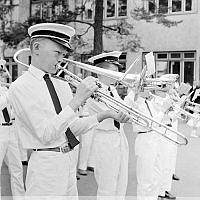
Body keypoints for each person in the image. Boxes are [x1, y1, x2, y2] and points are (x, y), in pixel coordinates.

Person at [7, 23, 130, 199]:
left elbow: (70, 129)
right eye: (57, 53)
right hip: (45, 166)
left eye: (64, 55)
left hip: (68, 161)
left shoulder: (61, 84)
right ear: (36, 47)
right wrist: (77, 100)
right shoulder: (20, 87)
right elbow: (46, 134)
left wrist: (104, 115)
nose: (61, 60)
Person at [85, 51, 129, 199]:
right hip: (105, 139)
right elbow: (117, 114)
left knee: (120, 182)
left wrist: (136, 95)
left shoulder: (112, 90)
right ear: (102, 71)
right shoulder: (94, 91)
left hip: (118, 137)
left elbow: (126, 109)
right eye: (114, 71)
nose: (118, 74)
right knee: (107, 186)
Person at [0, 59, 25, 199]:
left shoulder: (5, 88)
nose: (2, 75)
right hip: (0, 131)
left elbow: (12, 111)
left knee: (17, 169)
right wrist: (11, 93)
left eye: (2, 72)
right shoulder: (7, 91)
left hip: (11, 130)